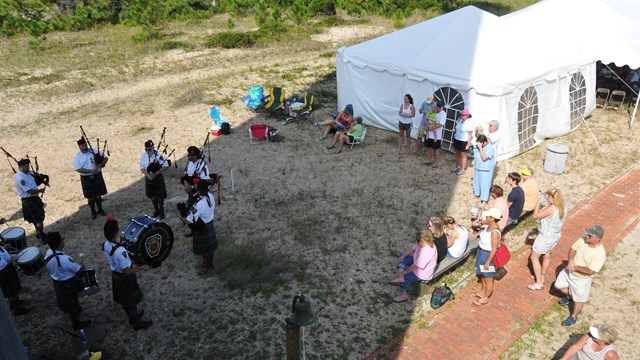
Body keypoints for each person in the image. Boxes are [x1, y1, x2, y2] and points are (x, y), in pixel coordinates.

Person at [102, 216, 153, 330]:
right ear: (116, 233)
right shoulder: (120, 251)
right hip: (124, 278)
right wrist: (141, 267)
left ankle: (132, 317)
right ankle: (136, 323)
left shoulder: (105, 244)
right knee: (131, 302)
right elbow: (127, 271)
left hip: (115, 275)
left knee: (126, 303)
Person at [554, 225, 607, 327]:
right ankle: (570, 297)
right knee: (558, 285)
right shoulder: (583, 240)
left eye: (590, 235)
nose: (587, 236)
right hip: (568, 272)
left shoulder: (600, 254)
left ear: (598, 239)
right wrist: (571, 260)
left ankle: (573, 317)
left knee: (579, 301)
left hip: (581, 280)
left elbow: (590, 271)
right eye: (587, 233)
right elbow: (572, 249)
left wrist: (574, 267)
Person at [44, 231, 91, 330]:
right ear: (60, 243)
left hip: (58, 283)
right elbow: (78, 270)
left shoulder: (48, 253)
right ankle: (76, 323)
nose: (63, 241)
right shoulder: (65, 259)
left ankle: (75, 313)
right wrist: (82, 266)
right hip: (68, 284)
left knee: (70, 304)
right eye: (61, 240)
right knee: (73, 305)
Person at [527, 189, 566, 291]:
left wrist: (538, 203)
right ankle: (542, 276)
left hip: (545, 237)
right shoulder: (563, 208)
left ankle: (538, 283)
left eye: (549, 196)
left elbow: (536, 216)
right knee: (547, 255)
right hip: (555, 235)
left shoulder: (552, 209)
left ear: (552, 198)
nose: (547, 198)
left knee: (534, 257)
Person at [179, 180, 218, 276]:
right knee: (210, 249)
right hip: (209, 224)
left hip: (202, 226)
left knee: (205, 250)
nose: (195, 187)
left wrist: (181, 217)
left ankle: (209, 267)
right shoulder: (211, 196)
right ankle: (208, 263)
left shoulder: (200, 204)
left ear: (200, 190)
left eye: (197, 187)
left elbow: (189, 221)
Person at [389, 229, 437, 303]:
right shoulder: (423, 243)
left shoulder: (426, 252)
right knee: (403, 257)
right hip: (416, 261)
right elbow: (413, 249)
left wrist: (404, 272)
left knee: (406, 277)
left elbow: (414, 266)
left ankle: (404, 294)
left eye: (418, 240)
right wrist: (404, 256)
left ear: (423, 240)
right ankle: (400, 278)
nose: (417, 242)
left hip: (422, 273)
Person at [180, 146, 211, 237]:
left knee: (197, 211)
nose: (187, 156)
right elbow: (186, 175)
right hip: (190, 191)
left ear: (194, 156)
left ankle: (200, 229)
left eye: (189, 155)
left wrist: (192, 187)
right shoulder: (190, 163)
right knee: (191, 210)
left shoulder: (203, 167)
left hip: (198, 192)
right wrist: (186, 185)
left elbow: (204, 182)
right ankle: (193, 230)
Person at [472, 208, 501, 306]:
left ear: (492, 218)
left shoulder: (495, 232)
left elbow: (494, 249)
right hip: (481, 252)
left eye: (488, 216)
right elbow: (484, 231)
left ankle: (486, 297)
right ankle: (482, 291)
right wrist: (477, 234)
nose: (486, 217)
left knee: (488, 278)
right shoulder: (489, 225)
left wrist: (488, 262)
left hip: (487, 255)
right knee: (483, 276)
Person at [74, 137, 108, 219]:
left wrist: (101, 164)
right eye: (82, 146)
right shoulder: (78, 157)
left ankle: (100, 209)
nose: (84, 147)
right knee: (91, 197)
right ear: (79, 147)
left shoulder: (94, 151)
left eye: (85, 145)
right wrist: (91, 171)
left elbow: (105, 158)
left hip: (97, 175)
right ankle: (93, 211)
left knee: (98, 195)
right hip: (86, 178)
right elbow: (78, 169)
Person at [14, 158, 46, 244]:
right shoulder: (20, 178)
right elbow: (29, 191)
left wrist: (42, 179)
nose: (28, 167)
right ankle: (40, 236)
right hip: (29, 201)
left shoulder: (28, 173)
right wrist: (39, 191)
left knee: (39, 219)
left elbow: (35, 180)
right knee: (38, 220)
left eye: (28, 165)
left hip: (34, 199)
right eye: (26, 166)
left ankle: (40, 233)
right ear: (21, 167)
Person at [139, 140, 169, 219]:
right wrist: (147, 174)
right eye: (146, 149)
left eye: (149, 149)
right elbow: (142, 168)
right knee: (152, 196)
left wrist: (156, 173)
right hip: (149, 178)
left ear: (153, 148)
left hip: (158, 178)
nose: (148, 151)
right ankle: (156, 210)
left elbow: (165, 165)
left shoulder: (158, 156)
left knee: (160, 197)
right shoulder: (144, 156)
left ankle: (161, 210)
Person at [0, 240, 31, 316]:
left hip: (6, 271)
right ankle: (18, 309)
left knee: (11, 291)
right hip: (5, 272)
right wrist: (13, 258)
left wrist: (4, 248)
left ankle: (13, 304)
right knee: (13, 291)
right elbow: (2, 265)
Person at [472, 134, 495, 208]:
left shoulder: (490, 148)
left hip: (486, 170)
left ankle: (484, 200)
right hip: (478, 167)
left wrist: (481, 149)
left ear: (483, 142)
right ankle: (477, 193)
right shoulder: (478, 146)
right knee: (476, 182)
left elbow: (484, 158)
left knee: (485, 184)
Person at [423, 102, 446, 167]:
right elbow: (426, 118)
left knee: (436, 149)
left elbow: (441, 124)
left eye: (439, 106)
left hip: (436, 135)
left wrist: (432, 127)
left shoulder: (443, 114)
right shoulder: (432, 110)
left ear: (442, 107)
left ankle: (437, 163)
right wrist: (428, 126)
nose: (438, 107)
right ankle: (429, 160)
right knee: (428, 147)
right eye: (437, 106)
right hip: (428, 132)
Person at [452, 108, 474, 175]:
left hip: (463, 141)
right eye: (461, 114)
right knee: (457, 153)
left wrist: (468, 144)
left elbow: (470, 135)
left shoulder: (469, 124)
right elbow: (456, 127)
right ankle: (457, 166)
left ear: (467, 115)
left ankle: (462, 169)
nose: (462, 116)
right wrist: (454, 130)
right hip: (456, 139)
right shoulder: (459, 120)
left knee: (463, 155)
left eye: (463, 115)